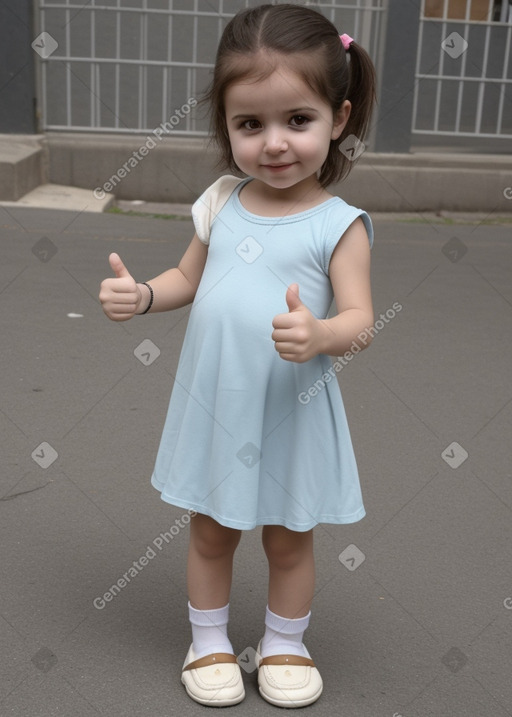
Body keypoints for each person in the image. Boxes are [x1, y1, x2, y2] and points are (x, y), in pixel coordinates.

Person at [99, 3, 376, 709]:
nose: (274, 143)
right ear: (226, 124)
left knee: (289, 538)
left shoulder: (339, 226)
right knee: (211, 528)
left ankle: (285, 642)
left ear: (338, 118)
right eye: (250, 124)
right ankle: (209, 640)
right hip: (217, 403)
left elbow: (360, 319)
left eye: (297, 120)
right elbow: (187, 278)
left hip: (292, 407)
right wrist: (143, 295)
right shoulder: (221, 201)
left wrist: (319, 335)